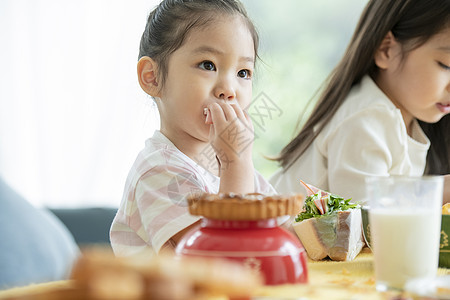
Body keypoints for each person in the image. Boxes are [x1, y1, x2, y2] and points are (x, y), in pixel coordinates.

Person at [110, 0, 276, 256]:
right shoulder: (158, 172)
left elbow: (282, 234)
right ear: (152, 77)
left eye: (243, 72)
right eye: (208, 65)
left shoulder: (232, 167)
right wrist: (236, 162)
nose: (229, 90)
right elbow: (221, 254)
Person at [270, 0, 450, 204]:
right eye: (446, 65)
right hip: (272, 233)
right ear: (386, 50)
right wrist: (440, 190)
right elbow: (367, 223)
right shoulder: (365, 118)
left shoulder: (405, 121)